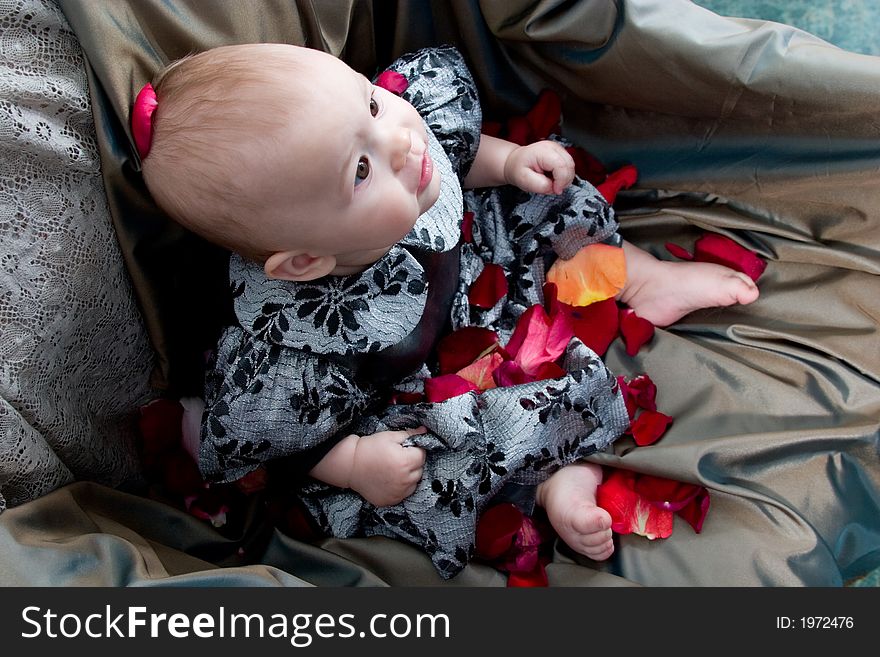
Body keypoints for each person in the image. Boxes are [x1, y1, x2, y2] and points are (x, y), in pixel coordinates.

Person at [134, 43, 759, 578]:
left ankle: (641, 277)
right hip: (400, 384)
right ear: (303, 262)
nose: (400, 143)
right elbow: (276, 439)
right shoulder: (292, 350)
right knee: (432, 461)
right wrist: (351, 465)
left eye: (371, 104)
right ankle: (541, 484)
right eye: (359, 169)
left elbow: (453, 153)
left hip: (471, 258)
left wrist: (509, 162)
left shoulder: (405, 145)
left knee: (557, 205)